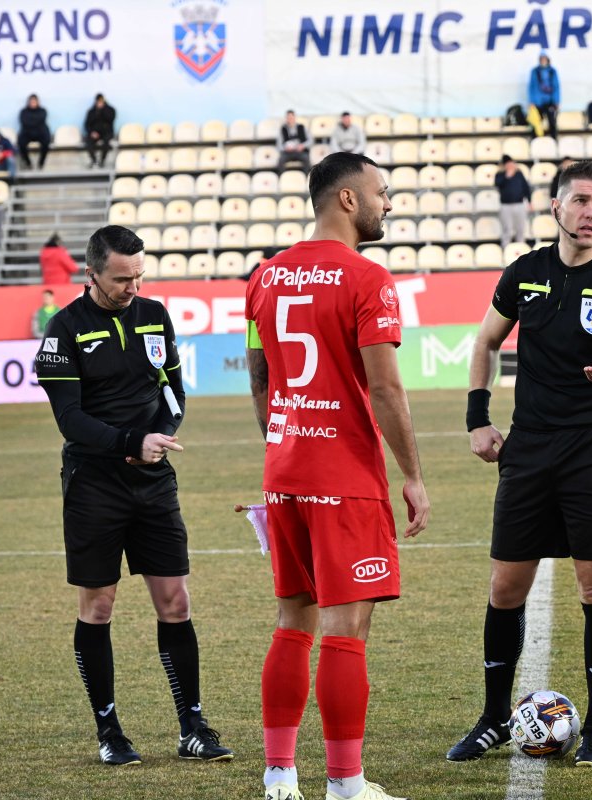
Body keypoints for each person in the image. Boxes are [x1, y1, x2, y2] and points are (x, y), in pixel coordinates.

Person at [446, 160, 592, 768]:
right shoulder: (525, 273)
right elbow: (484, 341)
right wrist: (478, 418)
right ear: (556, 208)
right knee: (506, 586)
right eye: (581, 200)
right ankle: (491, 720)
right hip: (529, 450)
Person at [245, 151, 430, 800]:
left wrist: (281, 443)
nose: (388, 203)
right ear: (347, 200)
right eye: (382, 192)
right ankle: (347, 785)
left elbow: (260, 372)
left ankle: (278, 778)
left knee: (293, 618)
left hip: (285, 471)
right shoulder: (368, 279)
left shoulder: (264, 278)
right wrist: (412, 473)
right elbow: (386, 389)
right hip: (344, 477)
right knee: (346, 632)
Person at [33, 224, 234, 768]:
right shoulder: (64, 330)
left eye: (140, 276)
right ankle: (110, 732)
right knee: (98, 607)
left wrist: (164, 433)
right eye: (122, 278)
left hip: (154, 479)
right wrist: (129, 443)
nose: (133, 287)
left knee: (176, 601)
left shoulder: (154, 314)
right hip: (94, 485)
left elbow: (174, 385)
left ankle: (192, 726)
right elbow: (70, 419)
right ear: (92, 273)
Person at [495, 155, 531, 248]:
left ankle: (521, 249)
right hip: (506, 206)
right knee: (507, 229)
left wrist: (529, 201)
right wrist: (507, 176)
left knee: (520, 229)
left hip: (519, 204)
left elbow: (526, 187)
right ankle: (505, 249)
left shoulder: (519, 174)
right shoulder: (500, 174)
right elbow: (498, 184)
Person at [528, 51, 561, 139]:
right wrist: (531, 101)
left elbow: (556, 86)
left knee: (552, 122)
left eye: (544, 58)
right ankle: (535, 141)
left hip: (549, 101)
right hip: (537, 102)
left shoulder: (552, 71)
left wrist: (556, 101)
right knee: (536, 122)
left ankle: (553, 141)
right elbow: (531, 87)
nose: (543, 60)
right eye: (541, 59)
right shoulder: (535, 71)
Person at [18, 93, 52, 170]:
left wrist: (31, 122)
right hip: (27, 133)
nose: (33, 103)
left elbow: (41, 121)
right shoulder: (23, 111)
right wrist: (34, 122)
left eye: (34, 101)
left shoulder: (43, 111)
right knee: (21, 143)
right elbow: (24, 122)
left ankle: (41, 163)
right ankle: (28, 163)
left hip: (40, 133)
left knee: (46, 142)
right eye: (31, 101)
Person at [84, 93, 116, 168]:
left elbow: (110, 119)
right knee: (88, 141)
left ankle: (102, 160)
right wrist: (92, 133)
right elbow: (87, 124)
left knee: (106, 142)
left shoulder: (110, 110)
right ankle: (94, 160)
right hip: (95, 133)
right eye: (98, 101)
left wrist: (102, 110)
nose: (100, 103)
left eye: (101, 101)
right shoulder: (91, 111)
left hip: (107, 132)